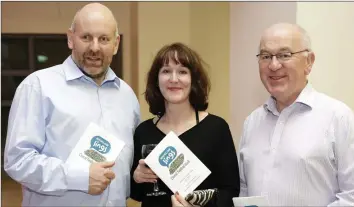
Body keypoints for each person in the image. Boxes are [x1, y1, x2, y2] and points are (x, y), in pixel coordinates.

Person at [4, 3, 140, 206]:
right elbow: (18, 160)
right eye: (86, 37)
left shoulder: (127, 97)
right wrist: (79, 177)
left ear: (116, 43)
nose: (94, 47)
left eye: (103, 39)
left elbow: (126, 166)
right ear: (70, 38)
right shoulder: (39, 86)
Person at [238, 22, 354, 206]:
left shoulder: (338, 118)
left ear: (309, 62)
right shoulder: (252, 122)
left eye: (285, 55)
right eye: (266, 56)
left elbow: (353, 196)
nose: (274, 65)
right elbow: (244, 191)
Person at [129, 42, 240, 207]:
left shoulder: (216, 128)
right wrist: (136, 178)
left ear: (193, 80)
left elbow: (231, 192)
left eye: (182, 72)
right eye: (166, 71)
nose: (174, 79)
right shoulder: (143, 131)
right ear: (156, 80)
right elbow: (136, 195)